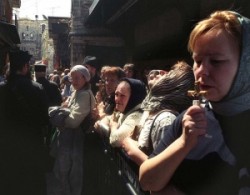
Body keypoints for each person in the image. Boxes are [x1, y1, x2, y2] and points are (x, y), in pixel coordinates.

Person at [139, 10, 250, 194]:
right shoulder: (189, 119)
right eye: (197, 61)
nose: (201, 71)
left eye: (216, 61)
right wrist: (183, 143)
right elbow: (147, 181)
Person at [122, 61, 194, 165]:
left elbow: (162, 169)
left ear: (176, 87)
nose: (161, 73)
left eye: (169, 74)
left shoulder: (166, 119)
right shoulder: (151, 111)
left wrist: (132, 149)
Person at [0, 50, 49, 195]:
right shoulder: (37, 88)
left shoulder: (2, 89)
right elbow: (44, 119)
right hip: (32, 145)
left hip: (6, 147)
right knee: (32, 184)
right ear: (26, 67)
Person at [50, 65, 96, 195]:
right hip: (69, 140)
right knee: (65, 171)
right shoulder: (77, 92)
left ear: (85, 79)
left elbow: (73, 121)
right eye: (72, 78)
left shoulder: (85, 94)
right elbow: (66, 109)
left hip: (76, 141)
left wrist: (62, 119)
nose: (73, 81)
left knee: (74, 173)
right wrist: (65, 112)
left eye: (77, 78)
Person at [95, 78, 147, 147]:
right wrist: (102, 124)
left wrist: (113, 127)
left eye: (122, 96)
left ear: (134, 97)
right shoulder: (125, 110)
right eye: (116, 94)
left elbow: (116, 141)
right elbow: (109, 118)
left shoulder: (137, 116)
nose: (117, 99)